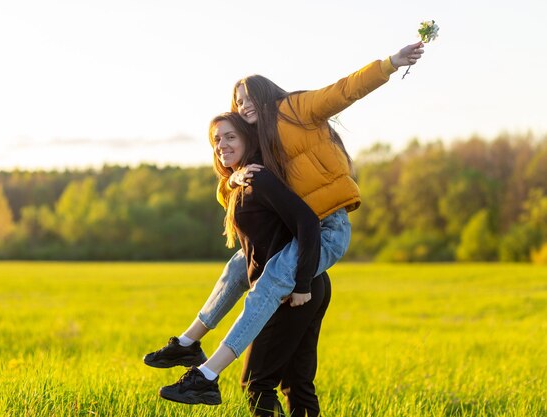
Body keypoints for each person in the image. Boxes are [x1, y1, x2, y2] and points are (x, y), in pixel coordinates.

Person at [145, 41, 424, 404]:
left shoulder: (296, 109)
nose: (243, 105)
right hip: (300, 231)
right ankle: (187, 343)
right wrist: (231, 180)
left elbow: (343, 91)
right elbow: (240, 184)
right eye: (238, 101)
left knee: (271, 282)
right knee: (236, 269)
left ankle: (206, 376)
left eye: (248, 98)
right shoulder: (260, 142)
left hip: (329, 228)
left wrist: (389, 64)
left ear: (265, 95)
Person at [159, 113, 328, 417]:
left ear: (249, 138)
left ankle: (202, 374)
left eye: (230, 137)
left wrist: (301, 283)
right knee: (296, 382)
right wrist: (233, 178)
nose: (221, 145)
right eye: (216, 140)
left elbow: (307, 222)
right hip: (305, 283)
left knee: (256, 381)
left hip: (294, 290)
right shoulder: (244, 180)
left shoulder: (259, 178)